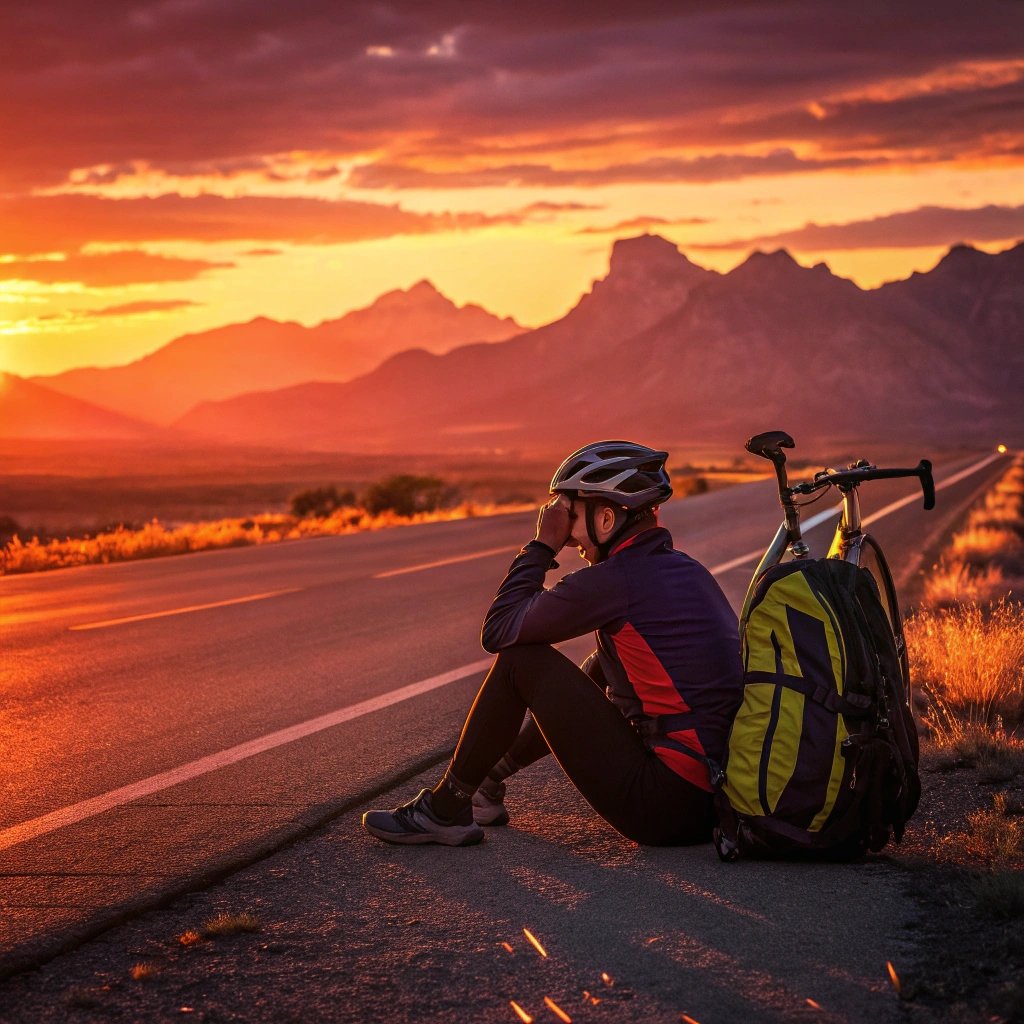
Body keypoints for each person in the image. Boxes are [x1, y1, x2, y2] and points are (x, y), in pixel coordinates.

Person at [362, 440, 743, 847]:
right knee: (603, 662)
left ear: (607, 516)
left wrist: (542, 545)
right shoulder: (685, 569)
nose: (568, 534)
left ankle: (445, 808)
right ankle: (488, 784)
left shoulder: (618, 579)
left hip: (667, 805)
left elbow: (500, 630)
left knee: (522, 662)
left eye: (570, 514)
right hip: (715, 797)